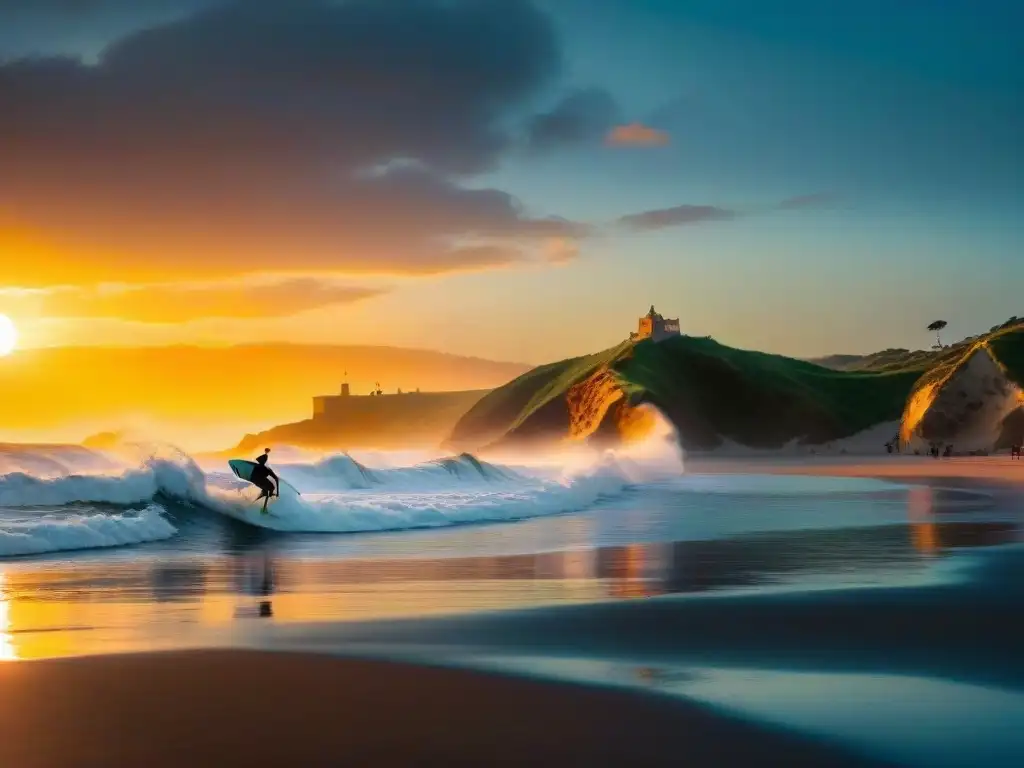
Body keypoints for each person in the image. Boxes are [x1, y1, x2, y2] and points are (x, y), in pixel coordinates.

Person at [249, 448, 279, 514]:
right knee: (270, 488)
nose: (258, 460)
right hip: (259, 482)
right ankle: (263, 507)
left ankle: (255, 505)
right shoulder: (262, 468)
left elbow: (276, 479)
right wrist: (278, 493)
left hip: (258, 482)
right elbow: (276, 479)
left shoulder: (257, 467)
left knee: (266, 490)